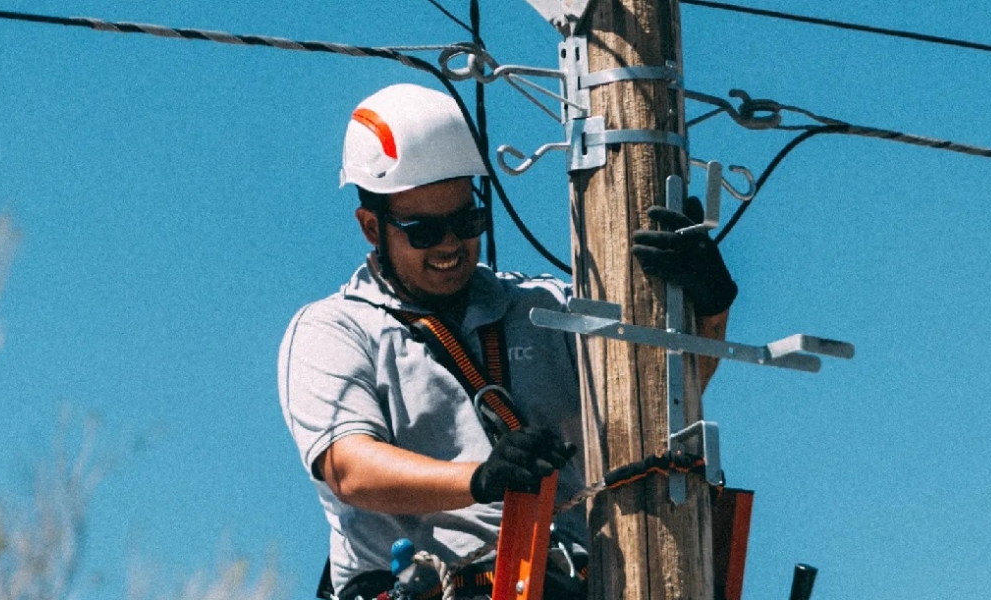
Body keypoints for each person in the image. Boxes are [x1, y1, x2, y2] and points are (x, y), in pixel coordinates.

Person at [278, 83, 738, 600]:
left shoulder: (544, 309)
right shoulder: (336, 330)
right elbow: (349, 467)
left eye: (465, 221)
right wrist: (479, 478)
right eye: (424, 231)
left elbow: (659, 398)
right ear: (371, 228)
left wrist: (712, 307)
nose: (450, 244)